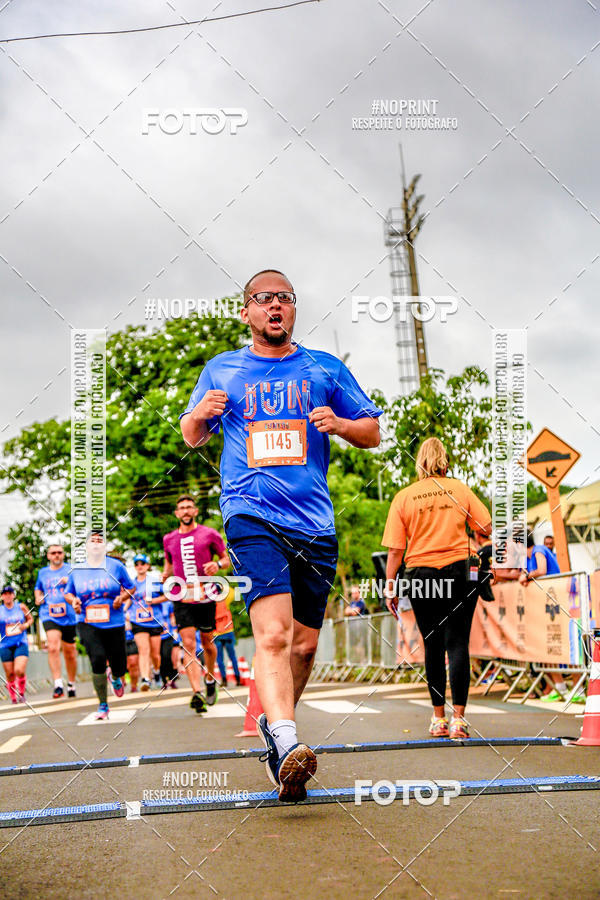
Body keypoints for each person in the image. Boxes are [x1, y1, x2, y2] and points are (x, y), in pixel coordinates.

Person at [180, 268, 382, 802]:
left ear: (293, 309)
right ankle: (288, 742)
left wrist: (341, 425)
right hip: (250, 514)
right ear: (245, 311)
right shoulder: (222, 369)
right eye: (264, 298)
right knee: (272, 634)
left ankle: (275, 727)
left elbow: (372, 431)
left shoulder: (324, 367)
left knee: (306, 644)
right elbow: (192, 435)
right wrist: (199, 414)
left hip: (313, 522)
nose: (275, 306)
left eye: (285, 298)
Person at [382, 437, 492, 740]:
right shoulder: (459, 489)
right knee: (457, 643)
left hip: (421, 573)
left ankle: (438, 718)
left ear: (419, 462)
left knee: (432, 644)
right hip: (460, 569)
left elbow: (395, 550)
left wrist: (390, 587)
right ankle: (459, 721)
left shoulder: (404, 497)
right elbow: (485, 526)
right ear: (445, 461)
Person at [162, 495, 230, 713]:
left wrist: (217, 565)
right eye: (182, 508)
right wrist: (165, 576)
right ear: (177, 513)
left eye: (189, 507)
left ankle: (209, 679)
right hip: (182, 597)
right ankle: (197, 692)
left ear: (196, 511)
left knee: (208, 642)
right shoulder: (169, 539)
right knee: (188, 644)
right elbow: (169, 565)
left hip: (206, 595)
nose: (185, 511)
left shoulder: (209, 534)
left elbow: (227, 559)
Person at [64, 533, 135, 719]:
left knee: (119, 663)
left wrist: (122, 597)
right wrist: (74, 601)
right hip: (87, 621)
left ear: (104, 546)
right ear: (86, 546)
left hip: (114, 620)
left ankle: (116, 676)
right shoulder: (77, 570)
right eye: (92, 541)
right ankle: (103, 704)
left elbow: (131, 587)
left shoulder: (115, 566)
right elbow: (68, 593)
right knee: (97, 658)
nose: (96, 543)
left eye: (100, 541)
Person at [34, 544, 77, 699]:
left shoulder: (71, 569)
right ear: (48, 556)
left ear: (63, 554)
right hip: (49, 614)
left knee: (70, 652)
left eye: (59, 552)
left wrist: (69, 581)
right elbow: (38, 588)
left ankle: (71, 683)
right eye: (53, 553)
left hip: (69, 615)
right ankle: (58, 684)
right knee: (53, 647)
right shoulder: (42, 572)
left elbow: (80, 586)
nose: (56, 555)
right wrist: (38, 597)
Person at [130, 553, 166, 691]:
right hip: (138, 621)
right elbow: (128, 600)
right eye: (137, 564)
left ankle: (156, 672)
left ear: (147, 566)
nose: (140, 566)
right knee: (143, 650)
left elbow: (168, 595)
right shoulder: (131, 584)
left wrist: (154, 600)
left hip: (154, 621)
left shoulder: (154, 581)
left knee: (155, 654)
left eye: (142, 563)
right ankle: (145, 678)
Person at [0, 586, 33, 703]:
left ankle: (22, 693)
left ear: (13, 595)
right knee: (10, 674)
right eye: (5, 594)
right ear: (2, 597)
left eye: (10, 593)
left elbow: (30, 619)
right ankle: (13, 697)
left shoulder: (21, 607)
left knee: (19, 670)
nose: (8, 596)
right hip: (5, 645)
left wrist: (25, 625)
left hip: (20, 642)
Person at [213, 586, 241, 686]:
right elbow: (232, 591)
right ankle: (238, 679)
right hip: (228, 632)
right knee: (232, 657)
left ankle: (224, 680)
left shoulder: (211, 603)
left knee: (219, 659)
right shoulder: (226, 599)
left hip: (217, 634)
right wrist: (222, 584)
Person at [124, 610, 140, 692]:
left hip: (132, 639)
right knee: (122, 665)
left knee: (133, 664)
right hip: (117, 640)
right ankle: (121, 683)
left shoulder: (134, 606)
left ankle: (134, 686)